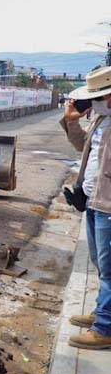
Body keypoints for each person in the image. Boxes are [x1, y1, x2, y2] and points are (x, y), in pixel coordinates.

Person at [62, 65, 111, 350]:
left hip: (108, 205)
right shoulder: (100, 121)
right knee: (101, 263)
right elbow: (84, 149)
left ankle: (105, 328)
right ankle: (102, 313)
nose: (93, 103)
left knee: (109, 269)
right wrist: (71, 122)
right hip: (95, 201)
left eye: (98, 97)